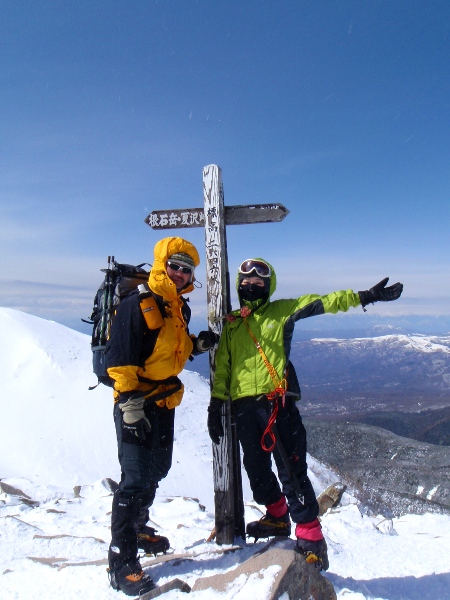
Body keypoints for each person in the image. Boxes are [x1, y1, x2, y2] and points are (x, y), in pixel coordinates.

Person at [207, 258, 403, 571]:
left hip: (277, 405)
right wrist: (216, 403)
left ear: (268, 287)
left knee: (291, 473)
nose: (251, 286)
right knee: (256, 470)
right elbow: (225, 368)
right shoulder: (232, 325)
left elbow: (323, 302)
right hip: (245, 408)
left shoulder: (281, 311)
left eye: (259, 283)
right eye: (246, 283)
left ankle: (311, 541)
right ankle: (276, 517)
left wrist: (365, 296)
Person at [105, 236, 216, 596]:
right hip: (135, 402)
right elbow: (120, 360)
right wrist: (131, 409)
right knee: (135, 479)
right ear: (162, 265)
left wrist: (195, 346)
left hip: (165, 401)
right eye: (176, 266)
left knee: (157, 470)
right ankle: (121, 563)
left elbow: (169, 353)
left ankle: (137, 529)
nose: (182, 273)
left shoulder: (178, 309)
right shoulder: (139, 303)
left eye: (187, 269)